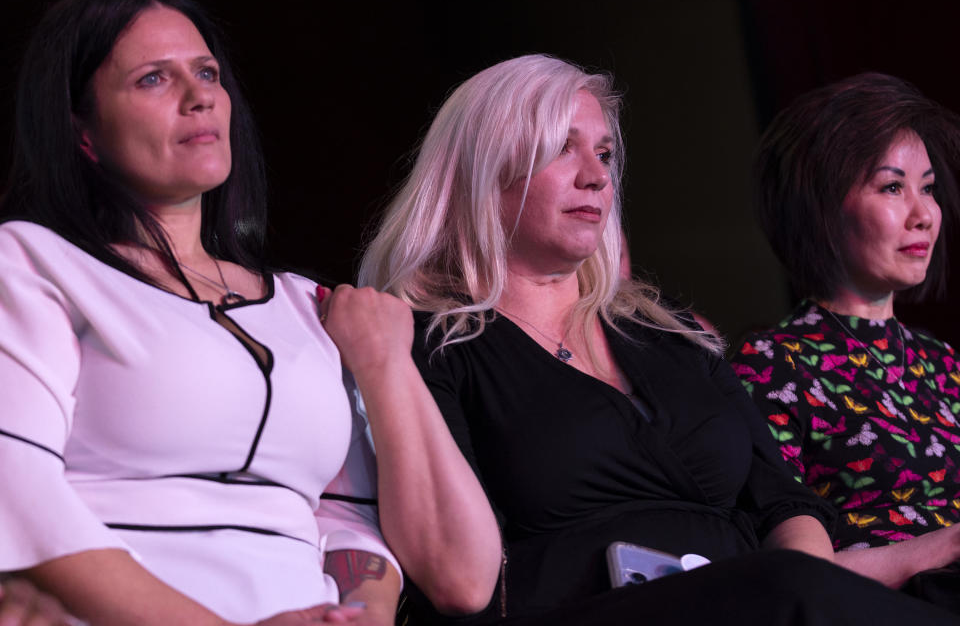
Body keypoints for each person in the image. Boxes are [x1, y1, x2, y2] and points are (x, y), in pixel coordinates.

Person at [359, 55, 960, 624]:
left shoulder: (664, 330)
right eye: (562, 148)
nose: (596, 176)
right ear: (483, 169)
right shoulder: (433, 342)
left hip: (760, 603)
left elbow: (785, 503)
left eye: (604, 153)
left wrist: (809, 592)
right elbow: (457, 582)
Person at [0, 0, 497, 623]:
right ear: (84, 133)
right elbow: (17, 493)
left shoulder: (306, 305)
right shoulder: (37, 265)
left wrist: (360, 611)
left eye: (206, 72)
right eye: (154, 78)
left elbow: (348, 521)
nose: (199, 95)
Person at [729, 73, 960, 598]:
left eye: (928, 189)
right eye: (892, 187)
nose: (924, 215)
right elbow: (785, 572)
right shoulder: (772, 364)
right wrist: (943, 548)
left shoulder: (943, 362)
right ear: (823, 208)